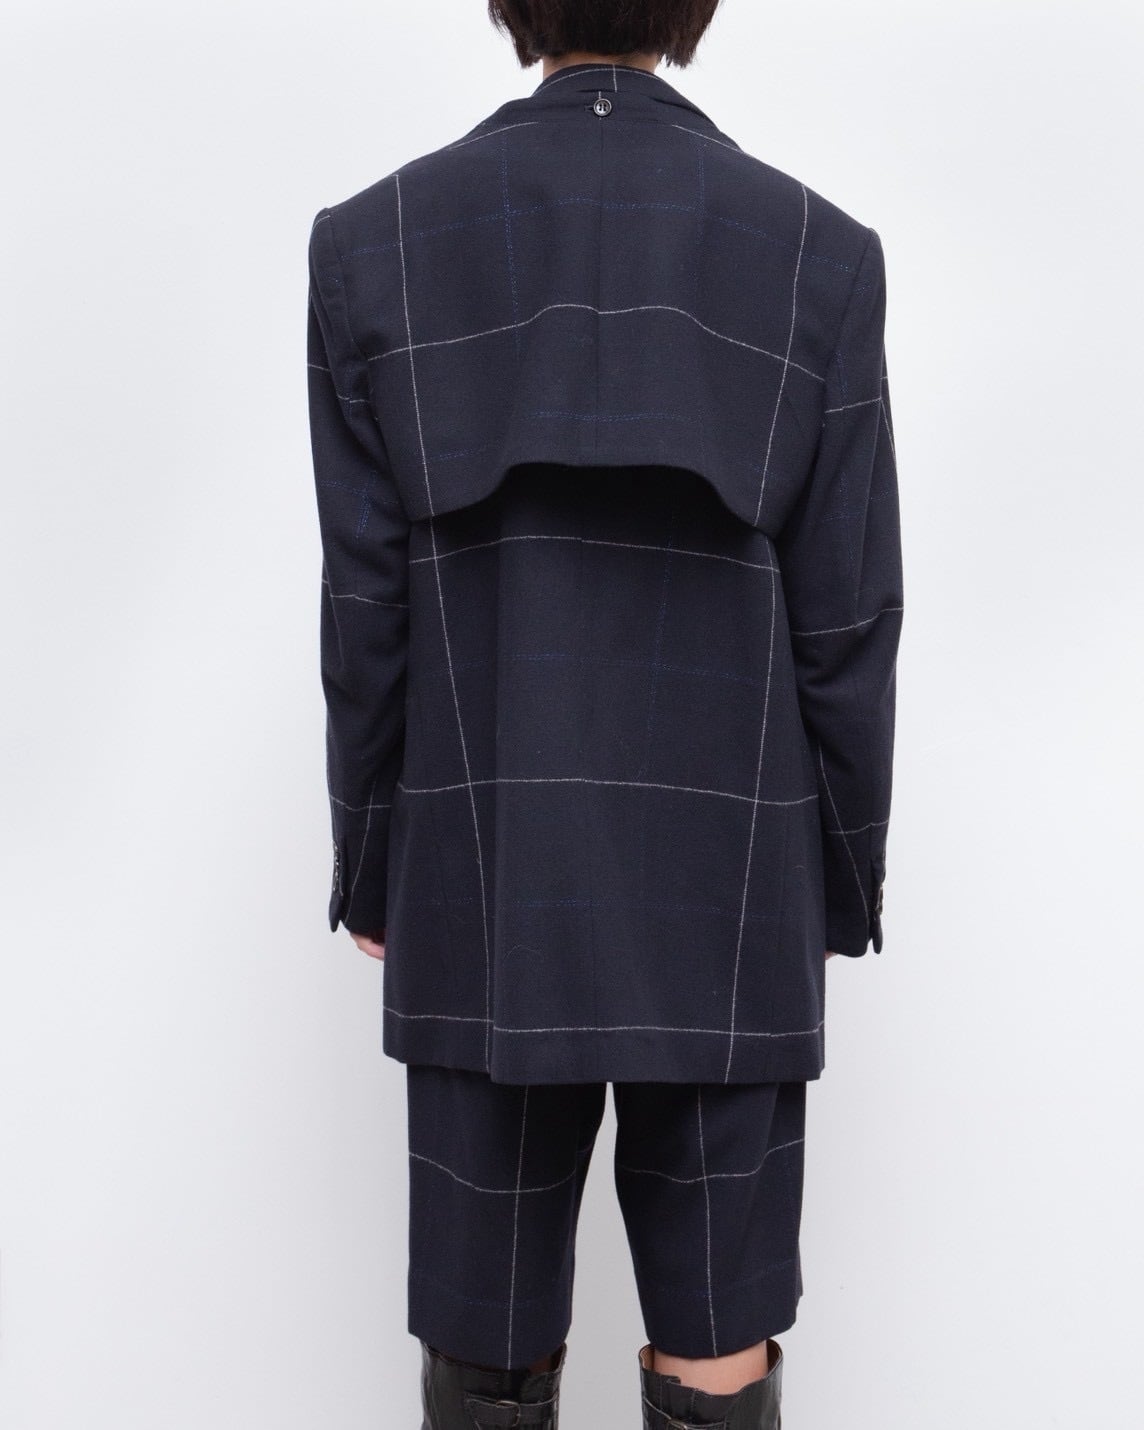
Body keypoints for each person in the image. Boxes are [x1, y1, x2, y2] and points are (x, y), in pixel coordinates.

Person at [305, 2, 903, 1425]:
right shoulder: (816, 252)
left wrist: (375, 860)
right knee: (719, 1332)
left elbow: (365, 605)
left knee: (487, 1341)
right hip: (731, 887)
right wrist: (838, 876)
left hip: (484, 873)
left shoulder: (377, 241)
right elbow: (851, 619)